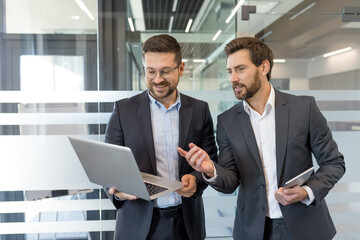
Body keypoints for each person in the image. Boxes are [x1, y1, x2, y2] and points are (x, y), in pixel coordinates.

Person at [178, 37, 345, 240]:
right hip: (253, 230)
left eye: (240, 69)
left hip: (305, 226)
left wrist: (307, 191)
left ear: (264, 67)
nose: (233, 78)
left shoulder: (304, 108)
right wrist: (210, 169)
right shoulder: (227, 121)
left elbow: (334, 162)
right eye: (230, 71)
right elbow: (230, 182)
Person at [105, 34, 217, 240]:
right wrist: (117, 190)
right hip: (138, 224)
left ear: (180, 69)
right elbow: (109, 164)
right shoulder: (124, 110)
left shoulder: (199, 110)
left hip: (187, 223)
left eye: (165, 71)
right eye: (151, 71)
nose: (158, 79)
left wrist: (196, 179)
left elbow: (211, 159)